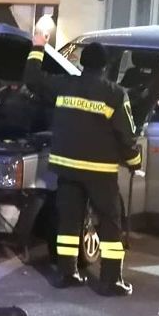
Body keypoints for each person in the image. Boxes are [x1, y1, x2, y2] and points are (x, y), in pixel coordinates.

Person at [24, 32, 141, 296]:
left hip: (66, 168)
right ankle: (111, 280)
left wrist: (38, 47)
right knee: (110, 223)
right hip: (100, 172)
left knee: (69, 222)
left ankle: (67, 273)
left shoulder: (64, 84)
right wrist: (135, 161)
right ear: (105, 66)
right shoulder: (115, 94)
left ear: (82, 63)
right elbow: (127, 136)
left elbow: (32, 79)